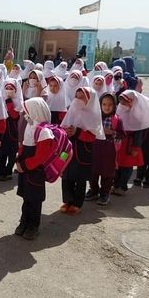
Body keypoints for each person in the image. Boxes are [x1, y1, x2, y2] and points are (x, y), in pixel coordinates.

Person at [114, 90, 149, 195]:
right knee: (117, 166)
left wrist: (136, 147)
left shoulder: (137, 116)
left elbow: (138, 132)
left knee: (127, 166)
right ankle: (116, 185)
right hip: (118, 144)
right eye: (121, 102)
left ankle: (123, 186)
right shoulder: (118, 112)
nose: (122, 104)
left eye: (126, 102)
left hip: (129, 145)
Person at [15, 97, 55, 240]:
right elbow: (23, 146)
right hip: (25, 169)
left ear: (35, 112)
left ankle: (33, 225)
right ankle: (24, 221)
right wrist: (18, 161)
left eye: (27, 111)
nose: (25, 114)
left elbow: (40, 157)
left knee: (35, 199)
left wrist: (24, 166)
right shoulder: (30, 127)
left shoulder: (44, 132)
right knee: (26, 197)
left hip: (35, 171)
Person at [60, 87, 104, 215]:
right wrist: (67, 132)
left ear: (89, 99)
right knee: (66, 176)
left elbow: (92, 136)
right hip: (68, 150)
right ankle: (68, 200)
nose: (78, 100)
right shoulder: (72, 110)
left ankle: (77, 203)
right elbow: (63, 127)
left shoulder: (94, 115)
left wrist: (77, 132)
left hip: (83, 152)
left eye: (82, 97)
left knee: (80, 178)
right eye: (77, 96)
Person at [85, 93, 120, 205]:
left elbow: (121, 134)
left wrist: (112, 132)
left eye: (110, 104)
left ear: (114, 105)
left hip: (109, 151)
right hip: (95, 148)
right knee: (93, 172)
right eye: (104, 104)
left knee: (107, 173)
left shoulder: (116, 120)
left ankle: (105, 193)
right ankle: (94, 190)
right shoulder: (96, 118)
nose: (107, 107)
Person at [0, 78, 22, 181]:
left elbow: (14, 115)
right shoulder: (0, 99)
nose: (9, 90)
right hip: (3, 130)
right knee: (1, 153)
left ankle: (8, 172)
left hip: (13, 131)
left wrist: (8, 101)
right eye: (6, 88)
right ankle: (0, 171)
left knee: (11, 153)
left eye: (11, 88)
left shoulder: (18, 102)